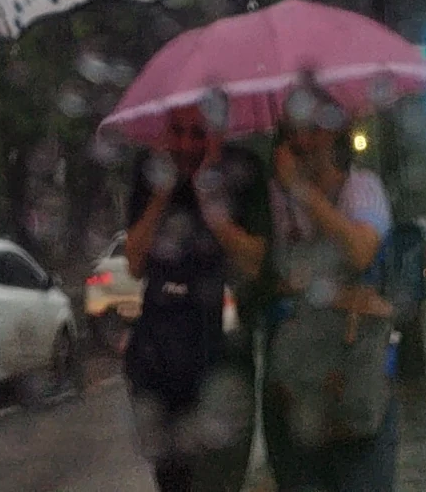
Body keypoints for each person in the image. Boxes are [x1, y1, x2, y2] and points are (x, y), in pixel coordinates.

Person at [123, 100, 269, 492]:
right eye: (178, 133)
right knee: (172, 480)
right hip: (159, 352)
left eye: (198, 134)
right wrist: (159, 196)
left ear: (218, 132)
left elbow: (254, 261)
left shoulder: (243, 170)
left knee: (219, 478)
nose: (187, 145)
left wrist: (211, 202)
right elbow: (135, 261)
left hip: (221, 349)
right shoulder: (150, 171)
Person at [262, 88, 397, 492]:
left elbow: (359, 251)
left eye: (318, 126)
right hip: (292, 382)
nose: (306, 139)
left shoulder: (362, 188)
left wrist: (301, 191)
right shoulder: (271, 199)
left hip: (354, 376)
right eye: (296, 128)